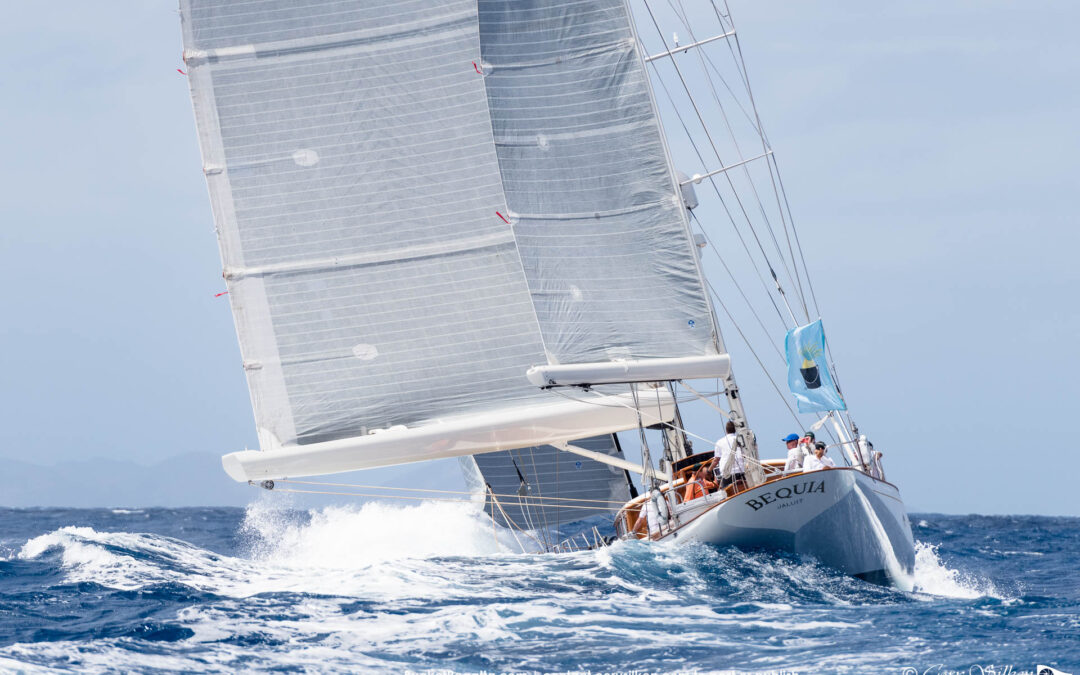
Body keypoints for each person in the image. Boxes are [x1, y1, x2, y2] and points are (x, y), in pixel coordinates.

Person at [713, 420, 747, 493]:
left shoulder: (719, 442)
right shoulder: (741, 439)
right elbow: (746, 455)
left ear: (726, 430)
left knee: (727, 493)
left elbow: (716, 460)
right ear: (735, 429)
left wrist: (709, 470)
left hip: (727, 474)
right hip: (741, 471)